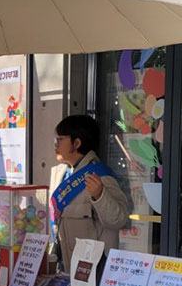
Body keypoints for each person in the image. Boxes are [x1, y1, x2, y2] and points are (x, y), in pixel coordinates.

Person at [49, 115, 131, 273]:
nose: (55, 145)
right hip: (67, 268)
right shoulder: (61, 173)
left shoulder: (100, 176)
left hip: (93, 271)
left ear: (77, 143)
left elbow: (119, 219)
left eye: (60, 140)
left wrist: (100, 195)